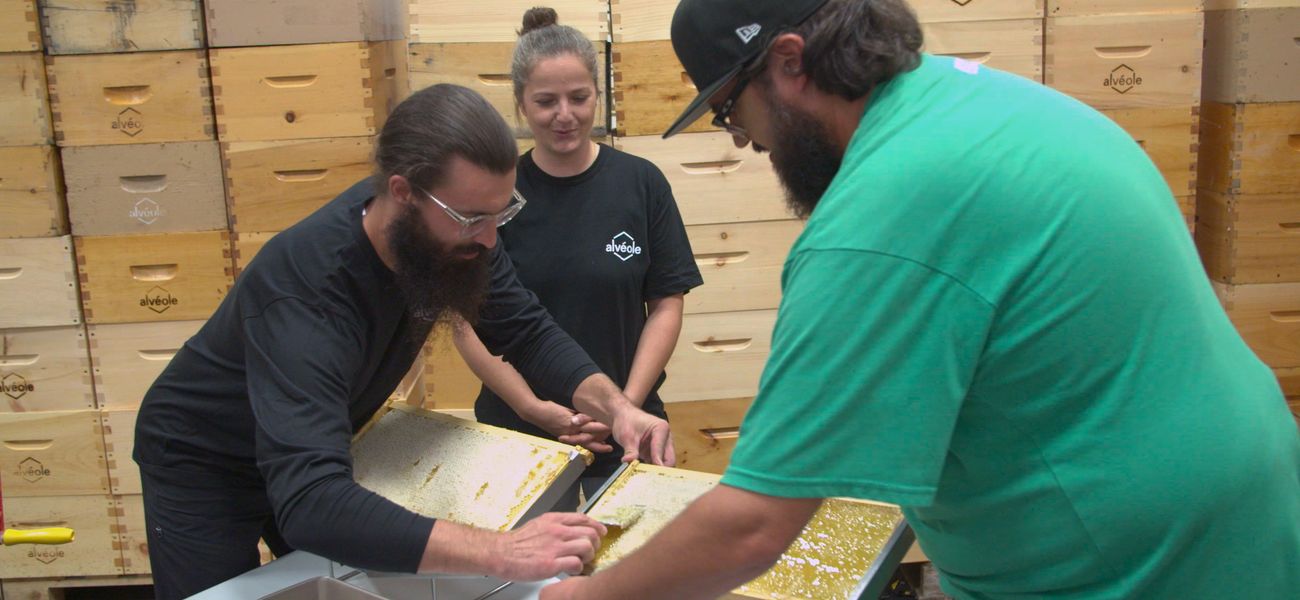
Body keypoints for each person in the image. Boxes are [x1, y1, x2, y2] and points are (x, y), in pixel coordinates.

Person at [542, 0, 1300, 598]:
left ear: (790, 63)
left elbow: (752, 526)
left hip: (1135, 566)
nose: (744, 140)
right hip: (1239, 505)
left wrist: (580, 597)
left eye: (732, 110)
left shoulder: (882, 214)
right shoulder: (977, 100)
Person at [132, 83, 675, 600]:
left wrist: (618, 410)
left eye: (502, 213)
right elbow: (312, 501)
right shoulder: (306, 293)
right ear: (402, 193)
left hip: (313, 442)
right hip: (203, 459)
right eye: (472, 218)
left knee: (346, 576)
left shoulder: (450, 234)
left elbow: (526, 330)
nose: (490, 238)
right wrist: (503, 551)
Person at [453, 7, 703, 502]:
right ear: (521, 105)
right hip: (521, 432)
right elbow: (465, 323)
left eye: (579, 97)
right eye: (546, 101)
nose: (564, 115)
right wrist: (532, 408)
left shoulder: (642, 183)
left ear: (598, 97)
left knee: (635, 552)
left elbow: (666, 304)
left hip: (629, 431)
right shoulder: (495, 195)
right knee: (533, 555)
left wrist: (622, 408)